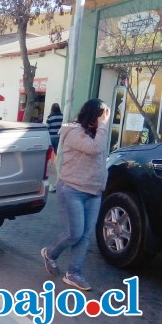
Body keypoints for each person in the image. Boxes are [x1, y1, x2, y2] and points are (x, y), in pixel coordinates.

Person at [40, 98, 110, 291]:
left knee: (86, 235)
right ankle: (50, 253)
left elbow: (100, 156)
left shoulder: (98, 133)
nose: (105, 118)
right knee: (74, 233)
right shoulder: (73, 131)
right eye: (103, 114)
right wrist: (103, 126)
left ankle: (74, 272)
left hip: (94, 191)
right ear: (93, 114)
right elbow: (95, 149)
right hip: (72, 189)